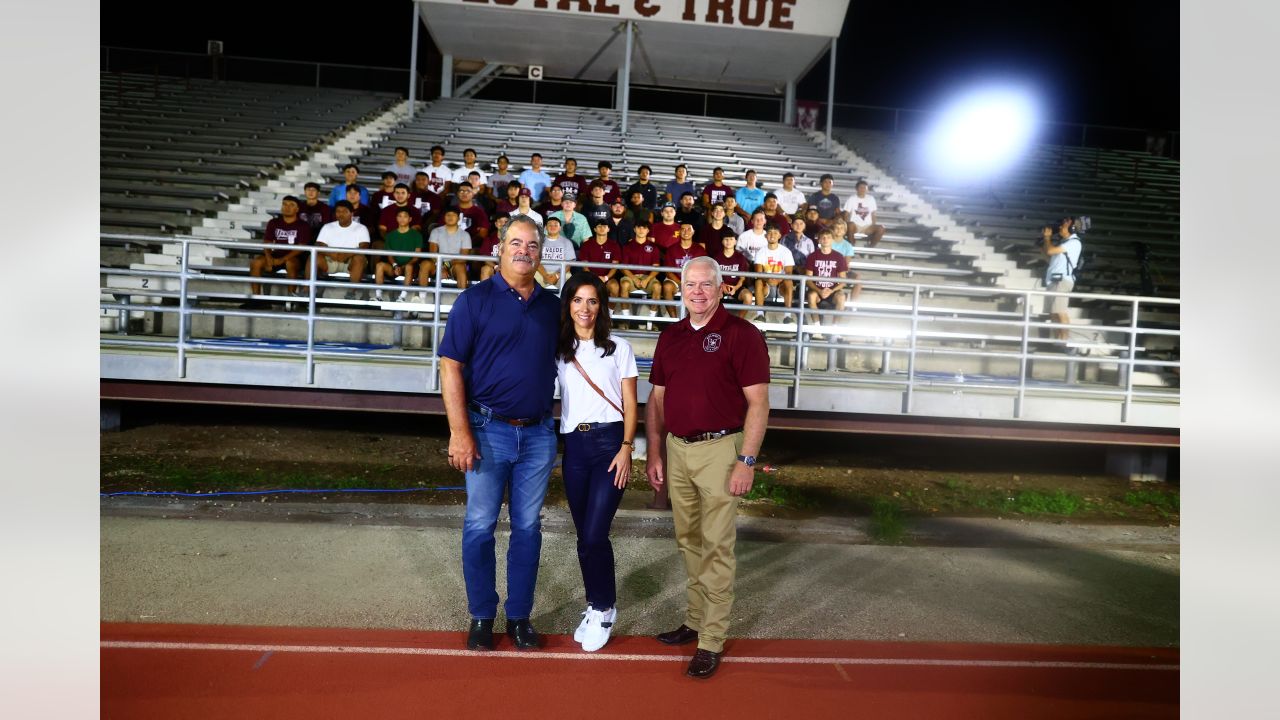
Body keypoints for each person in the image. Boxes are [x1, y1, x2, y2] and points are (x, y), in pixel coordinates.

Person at [645, 255, 770, 680]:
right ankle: (695, 619)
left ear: (721, 289)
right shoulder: (671, 336)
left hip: (721, 449)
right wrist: (656, 452)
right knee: (689, 540)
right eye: (690, 284)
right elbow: (657, 399)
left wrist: (746, 460)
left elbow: (758, 403)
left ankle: (711, 639)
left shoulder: (742, 335)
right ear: (681, 288)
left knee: (716, 545)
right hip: (678, 449)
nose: (697, 292)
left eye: (706, 285)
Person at [439, 215, 560, 652]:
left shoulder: (552, 307)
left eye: (532, 244)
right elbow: (450, 367)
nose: (523, 250)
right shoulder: (473, 301)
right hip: (486, 430)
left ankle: (520, 618)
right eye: (515, 242)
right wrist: (460, 432)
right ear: (500, 248)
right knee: (479, 526)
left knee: (528, 528)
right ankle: (482, 617)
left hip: (539, 435)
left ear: (541, 251)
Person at [556, 272, 638, 653]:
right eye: (577, 300)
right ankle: (594, 605)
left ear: (601, 305)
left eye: (592, 301)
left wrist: (627, 447)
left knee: (595, 534)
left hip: (610, 443)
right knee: (583, 537)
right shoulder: (558, 348)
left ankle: (605, 609)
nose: (584, 308)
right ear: (567, 304)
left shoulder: (618, 347)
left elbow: (631, 401)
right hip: (574, 445)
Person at [245, 195, 314, 307]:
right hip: (276, 254)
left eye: (291, 205)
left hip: (295, 257)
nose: (287, 207)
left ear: (297, 209)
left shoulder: (303, 225)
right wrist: (268, 258)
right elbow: (267, 242)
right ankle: (257, 299)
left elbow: (301, 247)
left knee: (290, 263)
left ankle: (291, 300)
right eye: (285, 204)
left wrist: (282, 260)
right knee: (256, 263)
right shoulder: (274, 222)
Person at [315, 200, 372, 300]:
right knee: (314, 257)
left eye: (344, 211)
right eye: (338, 211)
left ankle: (351, 292)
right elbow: (319, 245)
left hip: (351, 263)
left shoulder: (361, 228)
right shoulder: (327, 227)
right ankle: (306, 290)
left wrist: (347, 254)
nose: (341, 214)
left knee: (359, 258)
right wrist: (332, 254)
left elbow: (364, 247)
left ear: (351, 213)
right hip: (331, 261)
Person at [805, 229, 857, 326]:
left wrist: (831, 291)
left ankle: (834, 328)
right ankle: (817, 328)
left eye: (828, 237)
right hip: (817, 290)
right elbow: (808, 279)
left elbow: (843, 280)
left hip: (833, 290)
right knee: (811, 296)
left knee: (841, 297)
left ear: (832, 240)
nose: (825, 240)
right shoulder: (812, 256)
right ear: (819, 240)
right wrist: (819, 291)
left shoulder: (839, 257)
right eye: (823, 238)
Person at [1043, 216, 1083, 342]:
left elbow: (1050, 251)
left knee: (1060, 312)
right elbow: (1048, 256)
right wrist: (1043, 242)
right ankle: (1057, 341)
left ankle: (1064, 342)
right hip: (1053, 280)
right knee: (1053, 313)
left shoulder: (1074, 242)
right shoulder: (1064, 243)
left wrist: (1047, 238)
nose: (1060, 227)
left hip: (1062, 281)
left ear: (1072, 228)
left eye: (1063, 225)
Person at [374, 207, 424, 302]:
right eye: (400, 216)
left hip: (409, 267)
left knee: (409, 266)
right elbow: (390, 255)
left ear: (410, 219)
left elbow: (416, 256)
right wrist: (395, 265)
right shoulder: (390, 235)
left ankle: (402, 296)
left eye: (405, 216)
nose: (402, 219)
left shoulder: (417, 235)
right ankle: (378, 296)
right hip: (394, 267)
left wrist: (403, 266)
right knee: (379, 265)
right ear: (396, 218)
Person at [660, 223, 706, 318]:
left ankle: (692, 321)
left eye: (689, 229)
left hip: (694, 281)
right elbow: (668, 271)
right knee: (667, 287)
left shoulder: (700, 250)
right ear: (679, 232)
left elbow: (703, 270)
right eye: (683, 229)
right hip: (675, 280)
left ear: (693, 232)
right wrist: (681, 282)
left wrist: (692, 283)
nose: (686, 232)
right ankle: (675, 320)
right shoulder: (672, 249)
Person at [618, 220, 662, 316]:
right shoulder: (627, 246)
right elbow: (623, 267)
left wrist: (647, 279)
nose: (641, 230)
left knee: (657, 286)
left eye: (644, 228)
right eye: (639, 227)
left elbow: (656, 267)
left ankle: (651, 319)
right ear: (634, 229)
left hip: (648, 277)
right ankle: (626, 318)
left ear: (648, 231)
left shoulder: (654, 247)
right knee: (624, 284)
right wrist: (634, 278)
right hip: (631, 277)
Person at [752, 225, 796, 321]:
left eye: (775, 233)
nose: (772, 235)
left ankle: (788, 316)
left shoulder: (786, 251)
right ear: (765, 236)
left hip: (781, 284)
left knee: (789, 282)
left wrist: (778, 279)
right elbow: (758, 272)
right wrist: (768, 279)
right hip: (766, 284)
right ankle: (760, 315)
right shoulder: (760, 252)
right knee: (758, 282)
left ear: (780, 235)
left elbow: (789, 272)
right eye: (770, 233)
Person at [577, 220, 623, 303]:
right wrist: (594, 278)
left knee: (614, 286)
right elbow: (585, 266)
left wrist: (606, 278)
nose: (602, 228)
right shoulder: (587, 245)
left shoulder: (614, 245)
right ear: (595, 229)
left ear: (608, 229)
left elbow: (615, 266)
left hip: (607, 278)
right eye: (599, 226)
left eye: (604, 226)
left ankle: (610, 313)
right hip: (590, 277)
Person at [428, 207, 471, 289]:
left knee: (461, 267)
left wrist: (447, 265)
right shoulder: (436, 231)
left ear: (458, 218)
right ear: (444, 217)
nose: (450, 217)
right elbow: (432, 253)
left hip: (454, 264)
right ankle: (422, 296)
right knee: (425, 265)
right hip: (437, 263)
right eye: (448, 215)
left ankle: (461, 297)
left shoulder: (465, 235)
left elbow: (463, 257)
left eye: (453, 215)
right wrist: (440, 267)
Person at [714, 232, 755, 317]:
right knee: (712, 295)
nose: (728, 242)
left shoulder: (740, 257)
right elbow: (714, 277)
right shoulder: (717, 257)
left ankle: (740, 321)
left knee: (748, 296)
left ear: (735, 241)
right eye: (726, 239)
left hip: (736, 286)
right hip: (720, 286)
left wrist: (735, 288)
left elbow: (742, 278)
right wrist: (722, 285)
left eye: (731, 239)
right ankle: (714, 320)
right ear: (722, 241)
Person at [842, 180, 886, 247]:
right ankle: (851, 246)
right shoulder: (852, 198)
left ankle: (871, 246)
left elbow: (873, 214)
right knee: (850, 225)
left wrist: (873, 226)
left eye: (864, 188)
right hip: (855, 225)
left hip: (867, 226)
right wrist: (845, 226)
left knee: (881, 228)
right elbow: (846, 213)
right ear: (856, 189)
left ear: (867, 189)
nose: (862, 189)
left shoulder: (871, 199)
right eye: (861, 187)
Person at [535, 215, 574, 289]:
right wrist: (545, 275)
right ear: (545, 227)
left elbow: (569, 264)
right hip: (541, 272)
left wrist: (557, 276)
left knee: (569, 281)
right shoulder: (538, 241)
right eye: (550, 225)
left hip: (561, 274)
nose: (553, 227)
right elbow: (535, 260)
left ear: (560, 228)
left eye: (556, 225)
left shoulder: (567, 242)